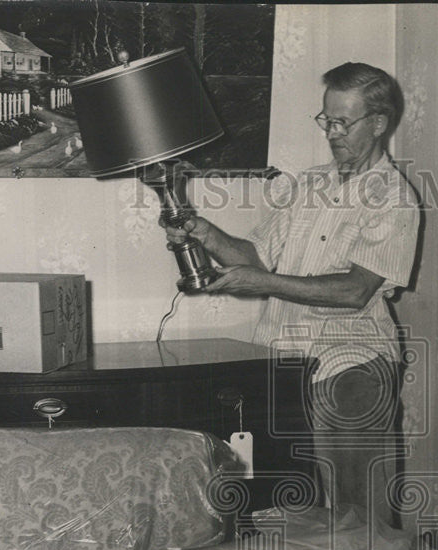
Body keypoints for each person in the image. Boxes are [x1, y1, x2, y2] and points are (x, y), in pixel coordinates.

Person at [165, 62, 419, 526]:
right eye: (326, 119)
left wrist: (264, 285)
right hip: (281, 362)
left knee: (357, 513)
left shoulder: (394, 198)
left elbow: (354, 292)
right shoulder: (309, 184)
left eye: (343, 122)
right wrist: (203, 232)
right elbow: (257, 257)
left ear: (378, 123)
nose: (332, 132)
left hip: (350, 363)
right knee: (281, 503)